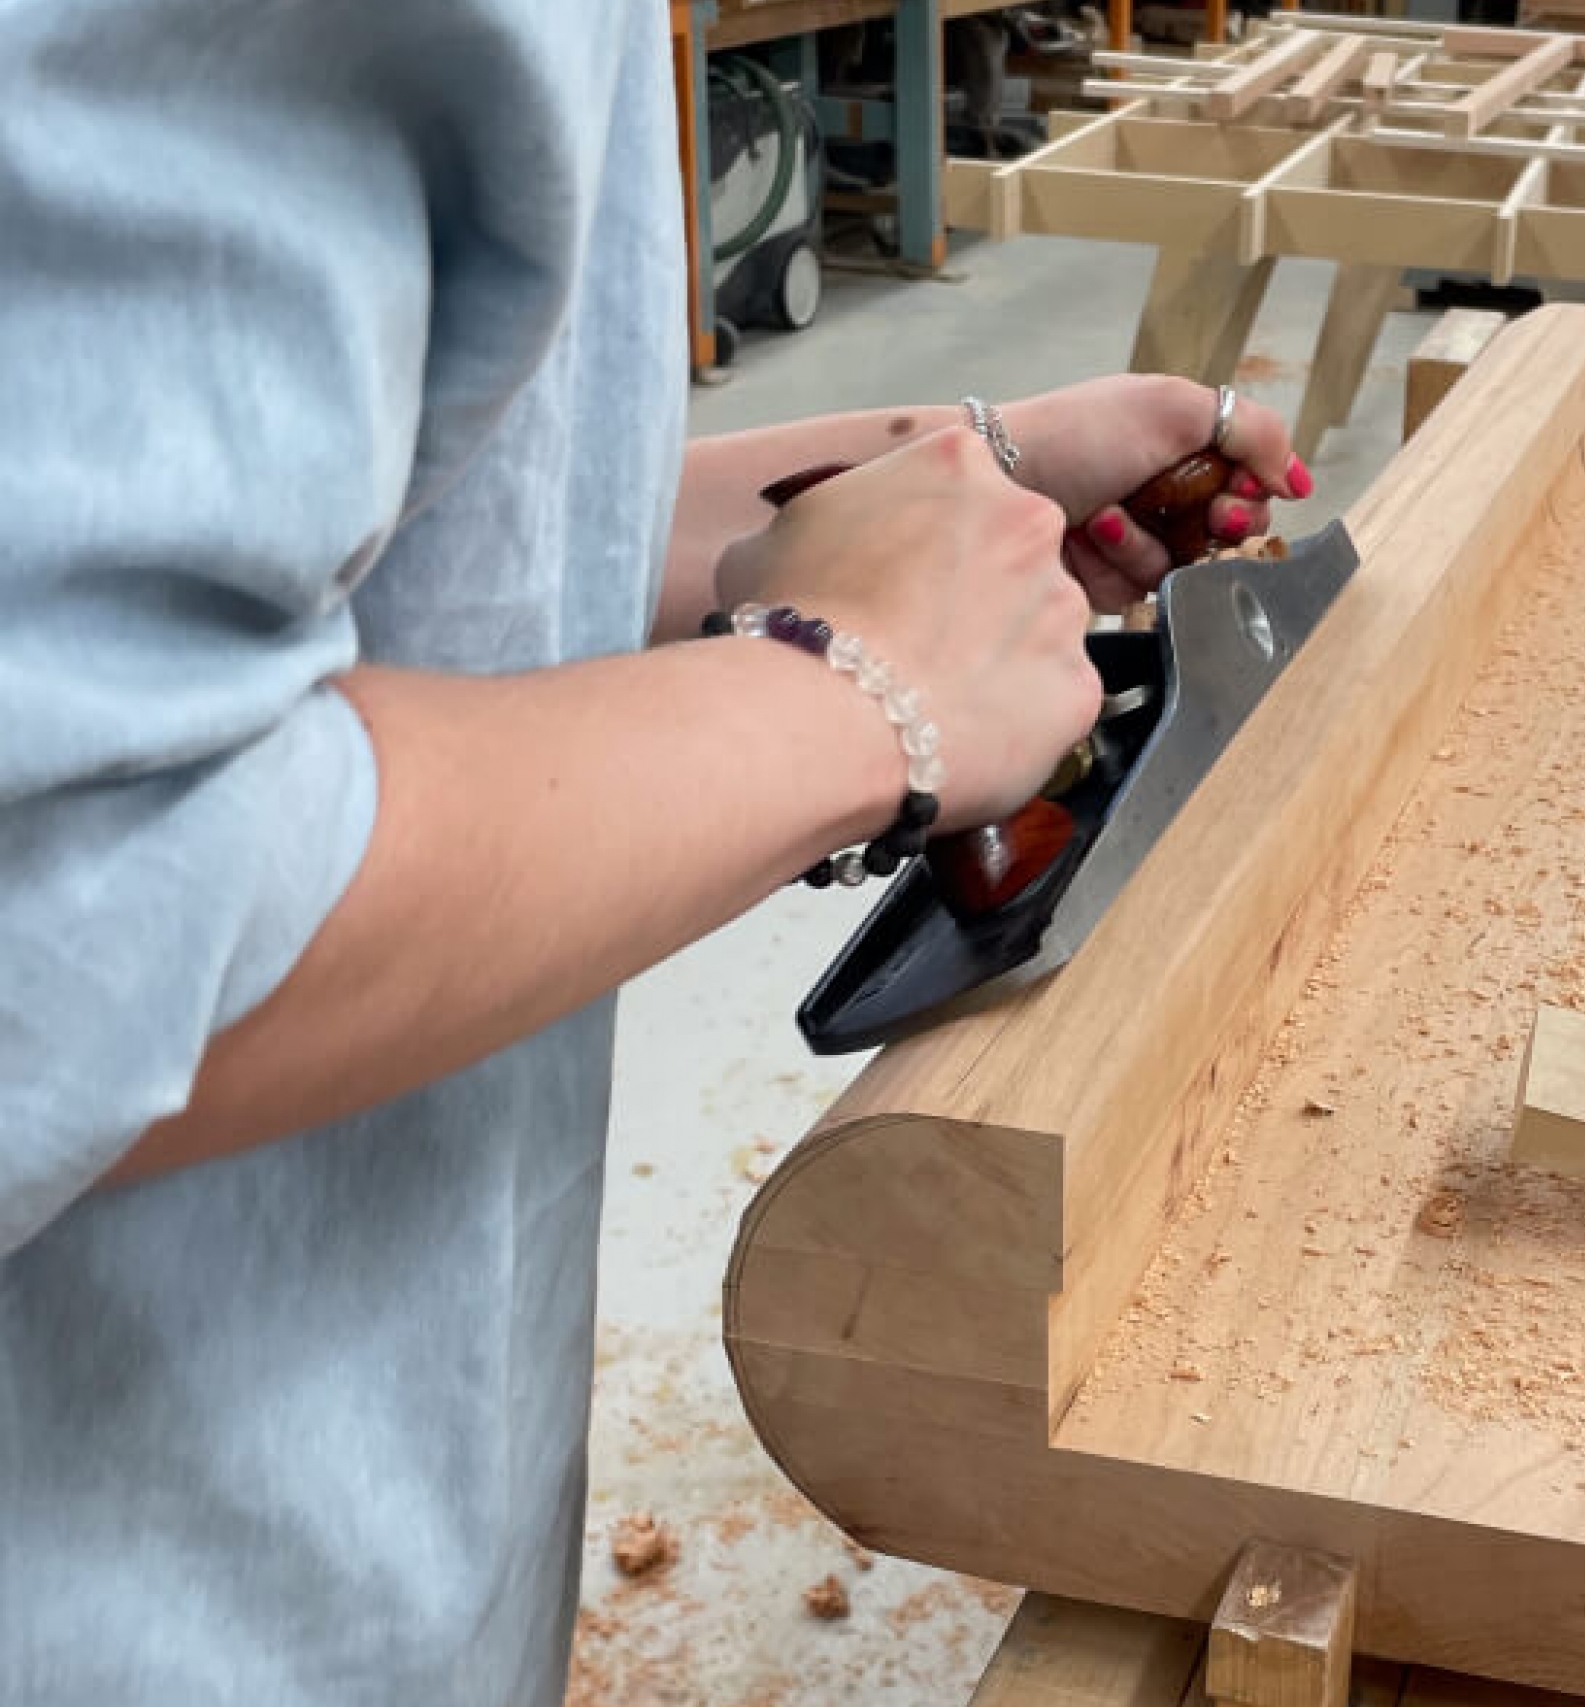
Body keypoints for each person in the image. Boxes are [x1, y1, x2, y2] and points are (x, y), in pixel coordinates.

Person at [0, 2, 1309, 1701]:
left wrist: (935, 495)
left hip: (343, 1481)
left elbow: (444, 532)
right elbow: (80, 911)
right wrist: (864, 698)